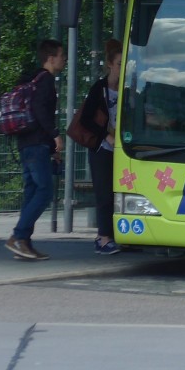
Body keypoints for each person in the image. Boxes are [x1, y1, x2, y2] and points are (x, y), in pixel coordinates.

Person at [6, 39, 65, 260]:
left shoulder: (33, 78)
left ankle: (24, 244)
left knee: (32, 193)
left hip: (26, 143)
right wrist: (55, 135)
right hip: (37, 144)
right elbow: (41, 110)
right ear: (51, 58)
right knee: (44, 192)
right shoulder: (46, 80)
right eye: (62, 55)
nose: (64, 59)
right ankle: (18, 237)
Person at [75, 39, 122, 255]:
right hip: (102, 148)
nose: (123, 69)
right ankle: (103, 238)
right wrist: (105, 136)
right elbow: (85, 119)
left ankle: (116, 235)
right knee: (104, 193)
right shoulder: (100, 89)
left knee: (118, 191)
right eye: (120, 64)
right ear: (110, 65)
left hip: (122, 148)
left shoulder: (128, 89)